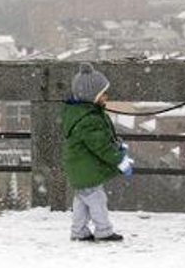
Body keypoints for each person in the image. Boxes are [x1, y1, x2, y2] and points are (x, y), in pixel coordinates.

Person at [61, 63, 134, 242]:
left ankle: (78, 231)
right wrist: (119, 160)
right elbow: (102, 147)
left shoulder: (79, 114)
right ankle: (104, 230)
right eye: (103, 94)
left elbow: (100, 142)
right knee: (97, 200)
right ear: (92, 96)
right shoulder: (89, 120)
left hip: (79, 168)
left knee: (82, 200)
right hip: (87, 169)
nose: (106, 97)